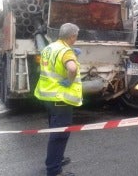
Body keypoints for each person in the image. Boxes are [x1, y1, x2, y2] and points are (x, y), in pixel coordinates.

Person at [34, 23, 83, 176]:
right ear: (72, 36)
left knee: (55, 130)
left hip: (47, 97)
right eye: (76, 36)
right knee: (60, 135)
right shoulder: (65, 51)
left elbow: (53, 65)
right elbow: (72, 69)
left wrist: (71, 54)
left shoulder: (49, 48)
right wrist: (69, 80)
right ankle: (54, 170)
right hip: (60, 99)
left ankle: (57, 158)